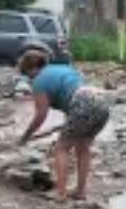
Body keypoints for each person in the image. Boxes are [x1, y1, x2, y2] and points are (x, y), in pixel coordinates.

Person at [18, 48, 110, 201]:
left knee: (61, 148)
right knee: (83, 148)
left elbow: (40, 115)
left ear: (31, 68)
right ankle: (80, 192)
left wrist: (26, 136)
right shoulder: (63, 68)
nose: (29, 79)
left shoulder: (39, 81)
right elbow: (71, 92)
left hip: (82, 104)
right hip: (101, 103)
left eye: (28, 74)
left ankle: (61, 193)